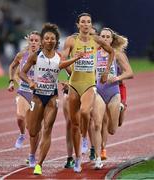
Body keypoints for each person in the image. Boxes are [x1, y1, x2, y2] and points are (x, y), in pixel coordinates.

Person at [20, 23, 84, 175]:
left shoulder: (59, 57)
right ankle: (35, 148)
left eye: (52, 38)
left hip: (52, 98)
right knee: (33, 131)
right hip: (37, 97)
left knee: (48, 129)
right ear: (42, 41)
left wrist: (69, 83)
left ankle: (39, 164)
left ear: (56, 41)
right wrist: (30, 82)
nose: (49, 41)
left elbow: (71, 73)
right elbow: (22, 73)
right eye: (47, 38)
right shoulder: (35, 56)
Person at [62, 13, 114, 172]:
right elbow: (62, 62)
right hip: (74, 85)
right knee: (73, 123)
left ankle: (85, 138)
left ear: (91, 25)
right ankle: (77, 158)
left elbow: (111, 52)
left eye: (88, 22)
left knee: (85, 112)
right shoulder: (71, 40)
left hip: (89, 84)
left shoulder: (96, 40)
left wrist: (105, 72)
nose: (86, 24)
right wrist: (72, 66)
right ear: (78, 25)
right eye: (83, 22)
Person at [93, 27, 133, 160]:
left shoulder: (117, 54)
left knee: (112, 129)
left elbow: (130, 73)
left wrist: (116, 78)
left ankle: (121, 109)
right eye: (102, 37)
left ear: (111, 40)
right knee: (100, 122)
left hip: (114, 90)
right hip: (99, 91)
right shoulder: (95, 53)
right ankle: (100, 152)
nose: (104, 39)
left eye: (107, 37)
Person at [8, 31, 41, 167]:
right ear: (29, 42)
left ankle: (32, 155)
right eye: (31, 40)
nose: (33, 43)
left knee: (33, 128)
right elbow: (12, 66)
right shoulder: (22, 55)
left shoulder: (44, 56)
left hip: (38, 94)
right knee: (20, 118)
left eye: (36, 41)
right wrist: (11, 81)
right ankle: (22, 134)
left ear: (40, 43)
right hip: (24, 90)